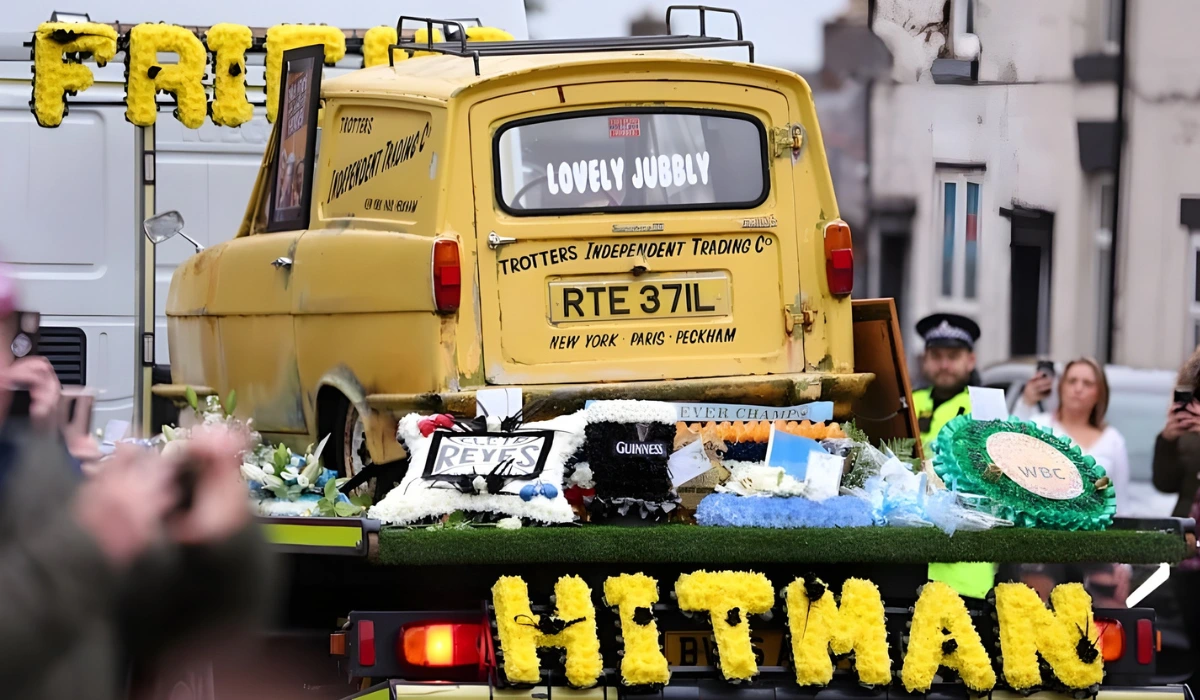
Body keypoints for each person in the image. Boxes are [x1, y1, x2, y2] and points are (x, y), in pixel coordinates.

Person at [0, 262, 273, 700]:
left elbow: (165, 624)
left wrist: (214, 546)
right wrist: (87, 545)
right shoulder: (63, 520)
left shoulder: (36, 473)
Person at [912, 313, 995, 601]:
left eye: (953, 356)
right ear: (925, 359)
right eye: (937, 356)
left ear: (970, 360)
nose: (944, 364)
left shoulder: (985, 406)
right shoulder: (909, 400)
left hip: (965, 562)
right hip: (910, 554)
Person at [1013, 358, 1130, 515]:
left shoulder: (1113, 440)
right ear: (1061, 387)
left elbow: (1120, 505)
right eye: (1072, 381)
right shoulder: (1039, 426)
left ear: (1099, 394)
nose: (1078, 388)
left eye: (1087, 383)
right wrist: (1026, 402)